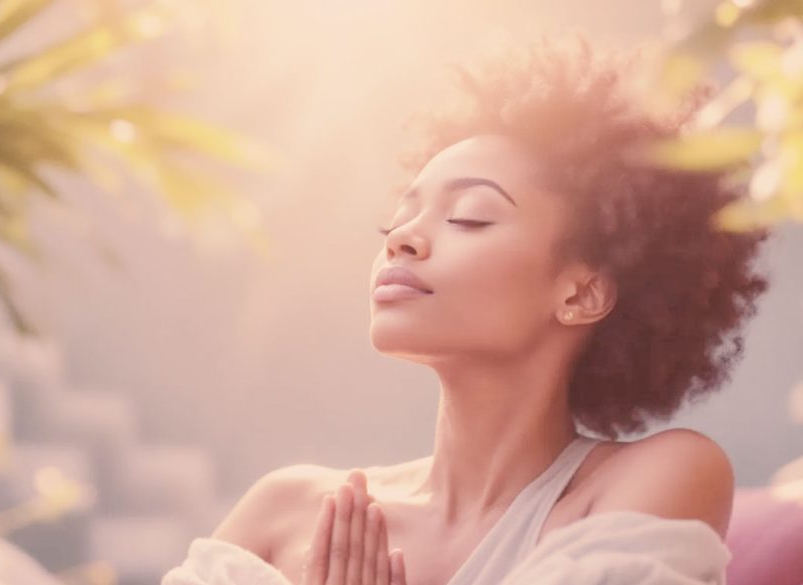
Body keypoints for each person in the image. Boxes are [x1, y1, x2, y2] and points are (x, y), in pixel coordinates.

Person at [205, 33, 771, 585]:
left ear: (580, 294)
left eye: (469, 217)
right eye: (398, 219)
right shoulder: (281, 513)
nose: (402, 239)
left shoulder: (661, 477)